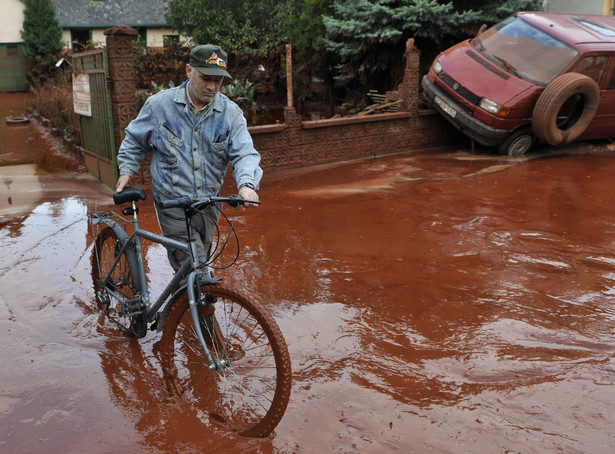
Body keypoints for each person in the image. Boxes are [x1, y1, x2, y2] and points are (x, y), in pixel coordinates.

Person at [115, 44, 262, 271]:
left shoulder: (231, 114)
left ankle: (192, 300)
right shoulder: (159, 106)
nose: (213, 87)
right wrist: (126, 170)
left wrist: (246, 185)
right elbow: (135, 140)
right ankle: (191, 303)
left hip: (209, 203)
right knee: (193, 269)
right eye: (206, 78)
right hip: (172, 202)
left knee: (201, 256)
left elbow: (244, 153)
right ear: (188, 71)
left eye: (219, 81)